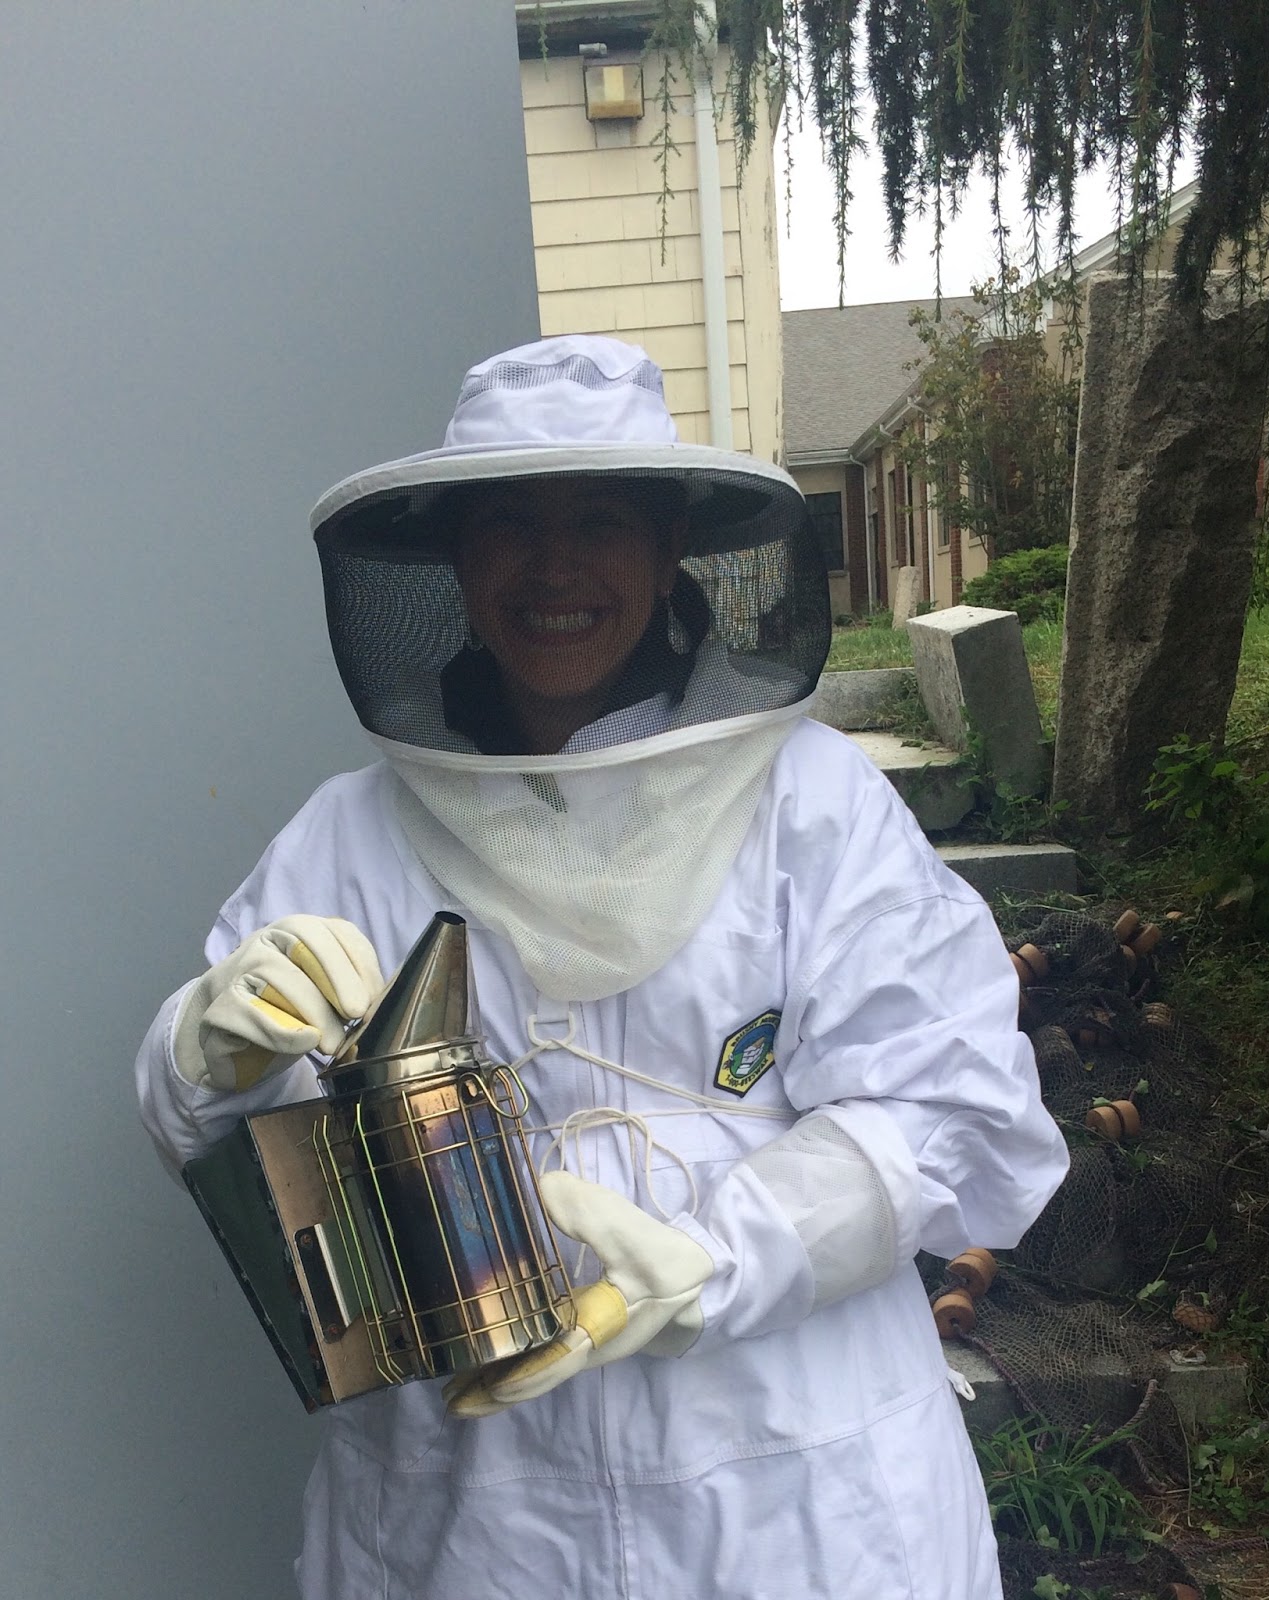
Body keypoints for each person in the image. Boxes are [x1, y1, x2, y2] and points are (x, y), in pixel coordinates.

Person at [137, 334, 1069, 1599]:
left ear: (669, 542)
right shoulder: (348, 835)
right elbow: (241, 1158)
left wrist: (716, 1259)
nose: (553, 566)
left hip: (795, 1499)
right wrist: (205, 1047)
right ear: (455, 558)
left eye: (598, 521)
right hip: (472, 1514)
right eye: (508, 525)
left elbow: (949, 1108)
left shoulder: (809, 803)